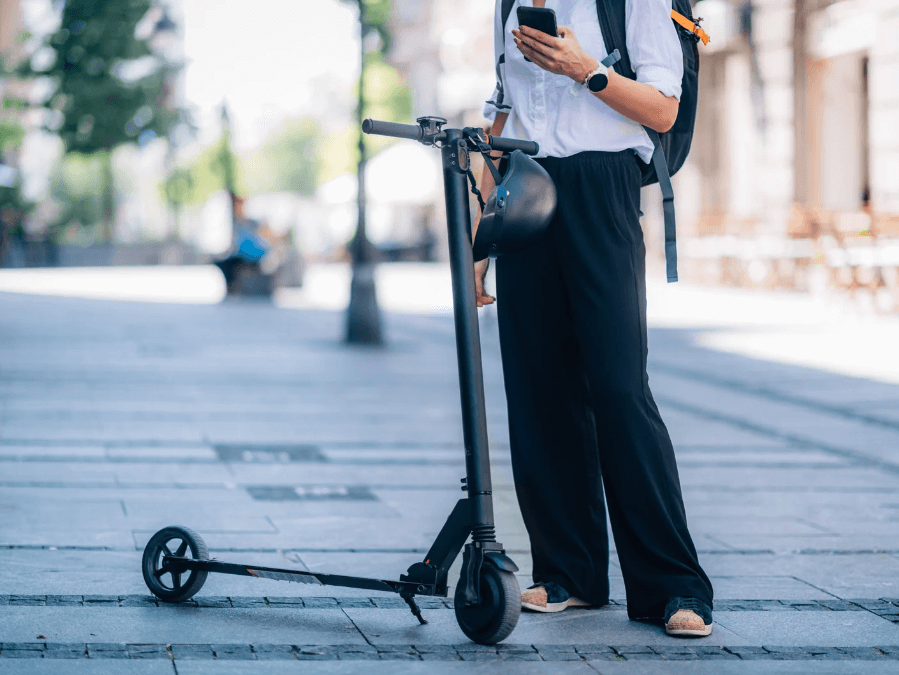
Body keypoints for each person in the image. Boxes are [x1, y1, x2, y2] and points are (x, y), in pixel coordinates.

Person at [475, 0, 714, 637]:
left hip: (601, 185)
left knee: (617, 387)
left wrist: (586, 69)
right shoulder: (508, 4)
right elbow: (502, 115)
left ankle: (675, 585)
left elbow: (663, 108)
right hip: (526, 188)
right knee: (537, 391)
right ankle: (568, 575)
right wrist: (482, 235)